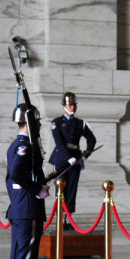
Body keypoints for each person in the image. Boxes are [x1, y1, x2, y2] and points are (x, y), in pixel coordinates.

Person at [6, 104, 49, 259]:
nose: (40, 124)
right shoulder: (25, 146)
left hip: (20, 207)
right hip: (28, 208)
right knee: (26, 258)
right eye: (38, 121)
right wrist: (36, 189)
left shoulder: (16, 144)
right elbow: (15, 173)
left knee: (19, 257)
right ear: (30, 123)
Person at [48, 92, 96, 229]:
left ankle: (68, 219)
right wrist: (68, 157)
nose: (73, 107)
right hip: (61, 159)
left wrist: (86, 154)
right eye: (70, 104)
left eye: (74, 104)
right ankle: (59, 219)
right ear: (63, 106)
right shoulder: (56, 122)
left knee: (72, 189)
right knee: (60, 190)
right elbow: (59, 142)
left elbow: (92, 139)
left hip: (76, 159)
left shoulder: (81, 123)